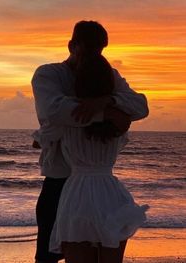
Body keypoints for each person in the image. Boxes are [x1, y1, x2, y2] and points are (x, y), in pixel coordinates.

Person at [31, 20, 149, 263]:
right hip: (60, 180)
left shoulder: (108, 75)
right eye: (90, 48)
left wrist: (106, 101)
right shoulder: (49, 74)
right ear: (72, 46)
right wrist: (107, 112)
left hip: (93, 183)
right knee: (48, 255)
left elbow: (140, 105)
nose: (96, 54)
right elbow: (54, 111)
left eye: (100, 49)